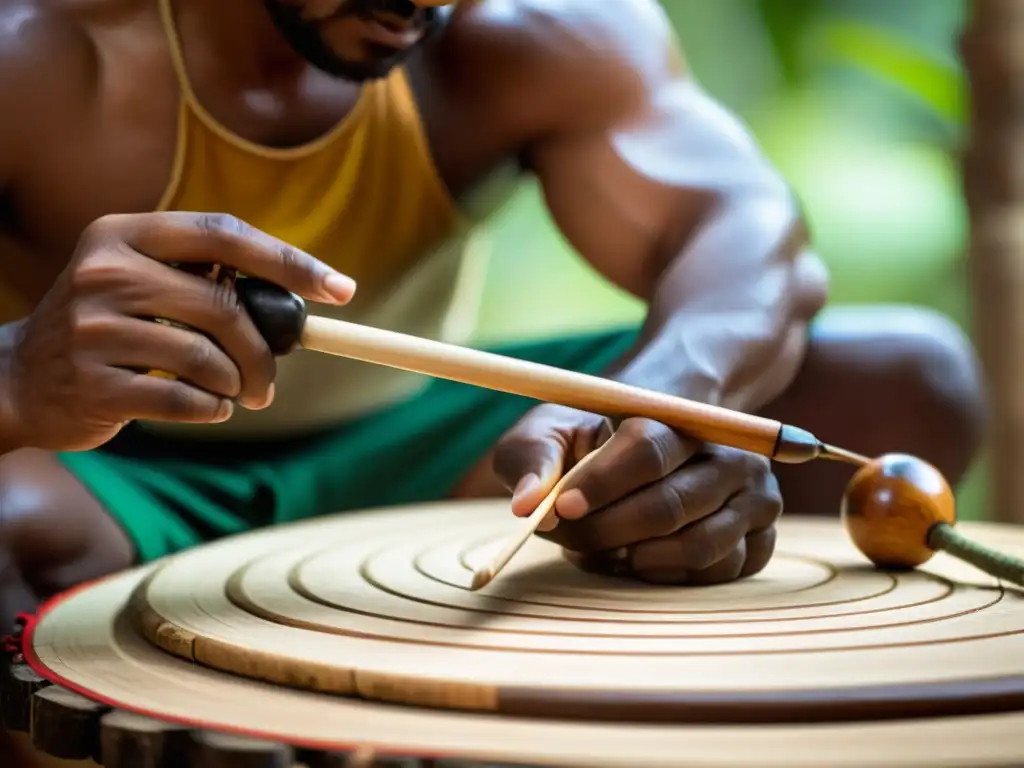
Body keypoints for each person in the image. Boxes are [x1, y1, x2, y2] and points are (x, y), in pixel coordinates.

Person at [0, 0, 985, 630]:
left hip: (412, 456)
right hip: (98, 474)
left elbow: (740, 224)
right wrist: (15, 375)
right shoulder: (34, 49)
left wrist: (657, 415)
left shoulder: (522, 30)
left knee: (897, 380)